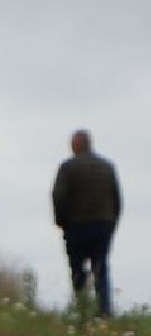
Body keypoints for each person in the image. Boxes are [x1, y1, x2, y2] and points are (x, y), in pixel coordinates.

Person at [52, 129, 122, 317]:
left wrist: (60, 221)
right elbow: (117, 199)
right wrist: (112, 223)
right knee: (101, 268)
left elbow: (59, 196)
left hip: (76, 225)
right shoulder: (107, 167)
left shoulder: (67, 168)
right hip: (103, 224)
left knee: (77, 269)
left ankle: (82, 311)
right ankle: (104, 313)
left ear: (75, 145)